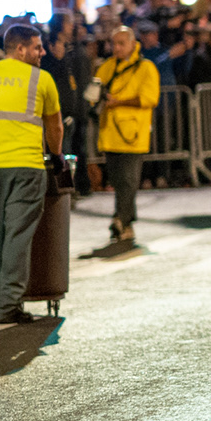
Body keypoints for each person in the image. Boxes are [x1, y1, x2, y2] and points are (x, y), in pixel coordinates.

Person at [0, 23, 63, 324]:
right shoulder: (41, 79)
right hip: (26, 168)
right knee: (17, 236)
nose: (42, 52)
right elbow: (54, 126)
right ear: (20, 49)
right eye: (37, 47)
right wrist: (56, 156)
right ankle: (7, 305)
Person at [90, 26, 160, 255]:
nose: (117, 48)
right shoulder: (107, 66)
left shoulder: (146, 67)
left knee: (128, 181)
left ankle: (122, 221)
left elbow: (150, 98)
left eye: (121, 43)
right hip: (110, 134)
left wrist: (118, 102)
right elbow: (91, 94)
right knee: (120, 182)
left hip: (132, 135)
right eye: (114, 43)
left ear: (132, 43)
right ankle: (123, 221)